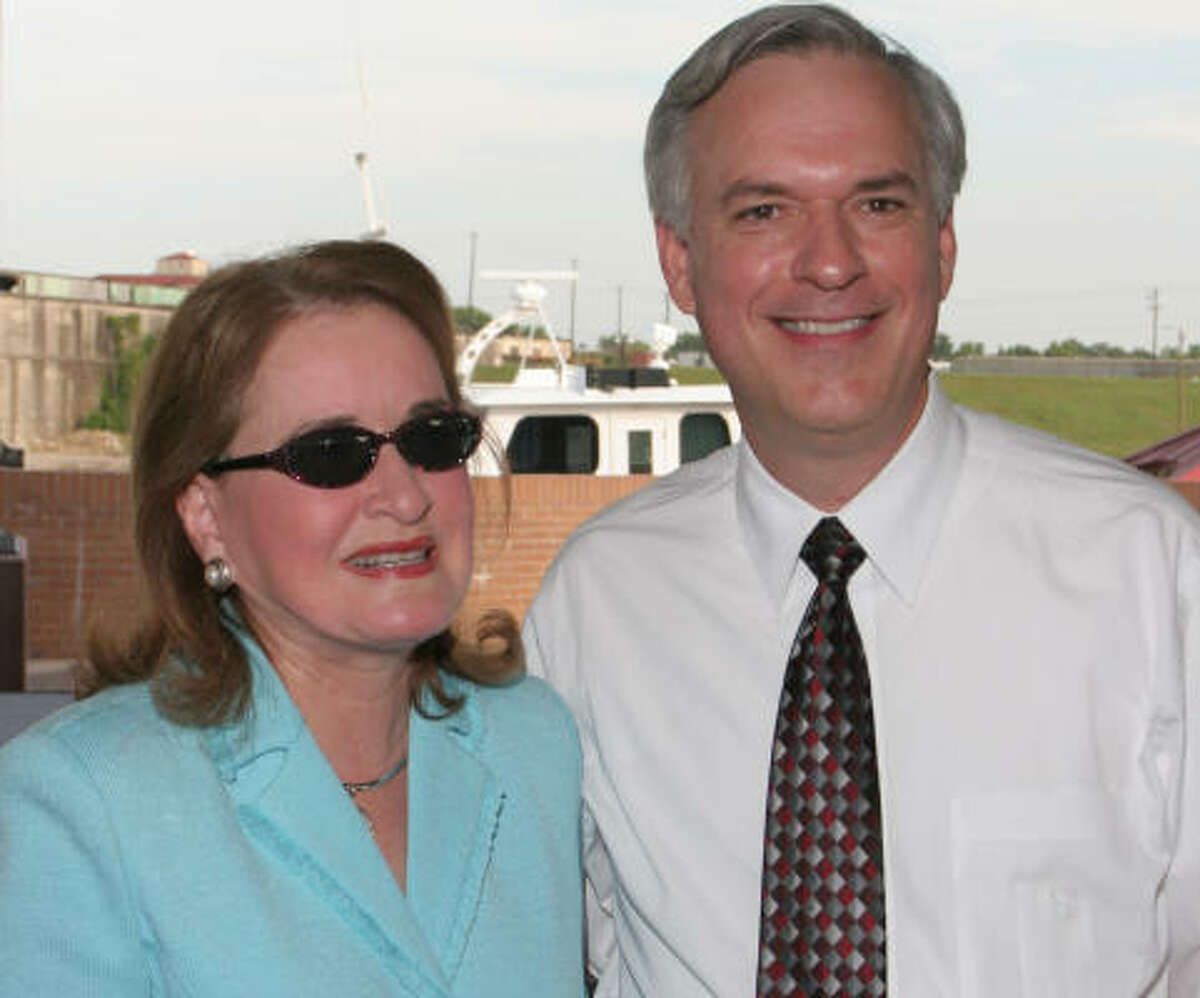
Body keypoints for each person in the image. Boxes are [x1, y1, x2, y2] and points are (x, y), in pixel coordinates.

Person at [524, 5, 1200, 995]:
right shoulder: (598, 601)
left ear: (942, 243)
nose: (830, 260)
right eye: (764, 210)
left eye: (878, 204)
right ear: (679, 262)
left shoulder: (1149, 574)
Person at [0, 240, 585, 996]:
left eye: (431, 438)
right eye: (333, 454)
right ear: (206, 516)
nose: (405, 497)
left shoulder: (533, 742)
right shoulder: (83, 803)